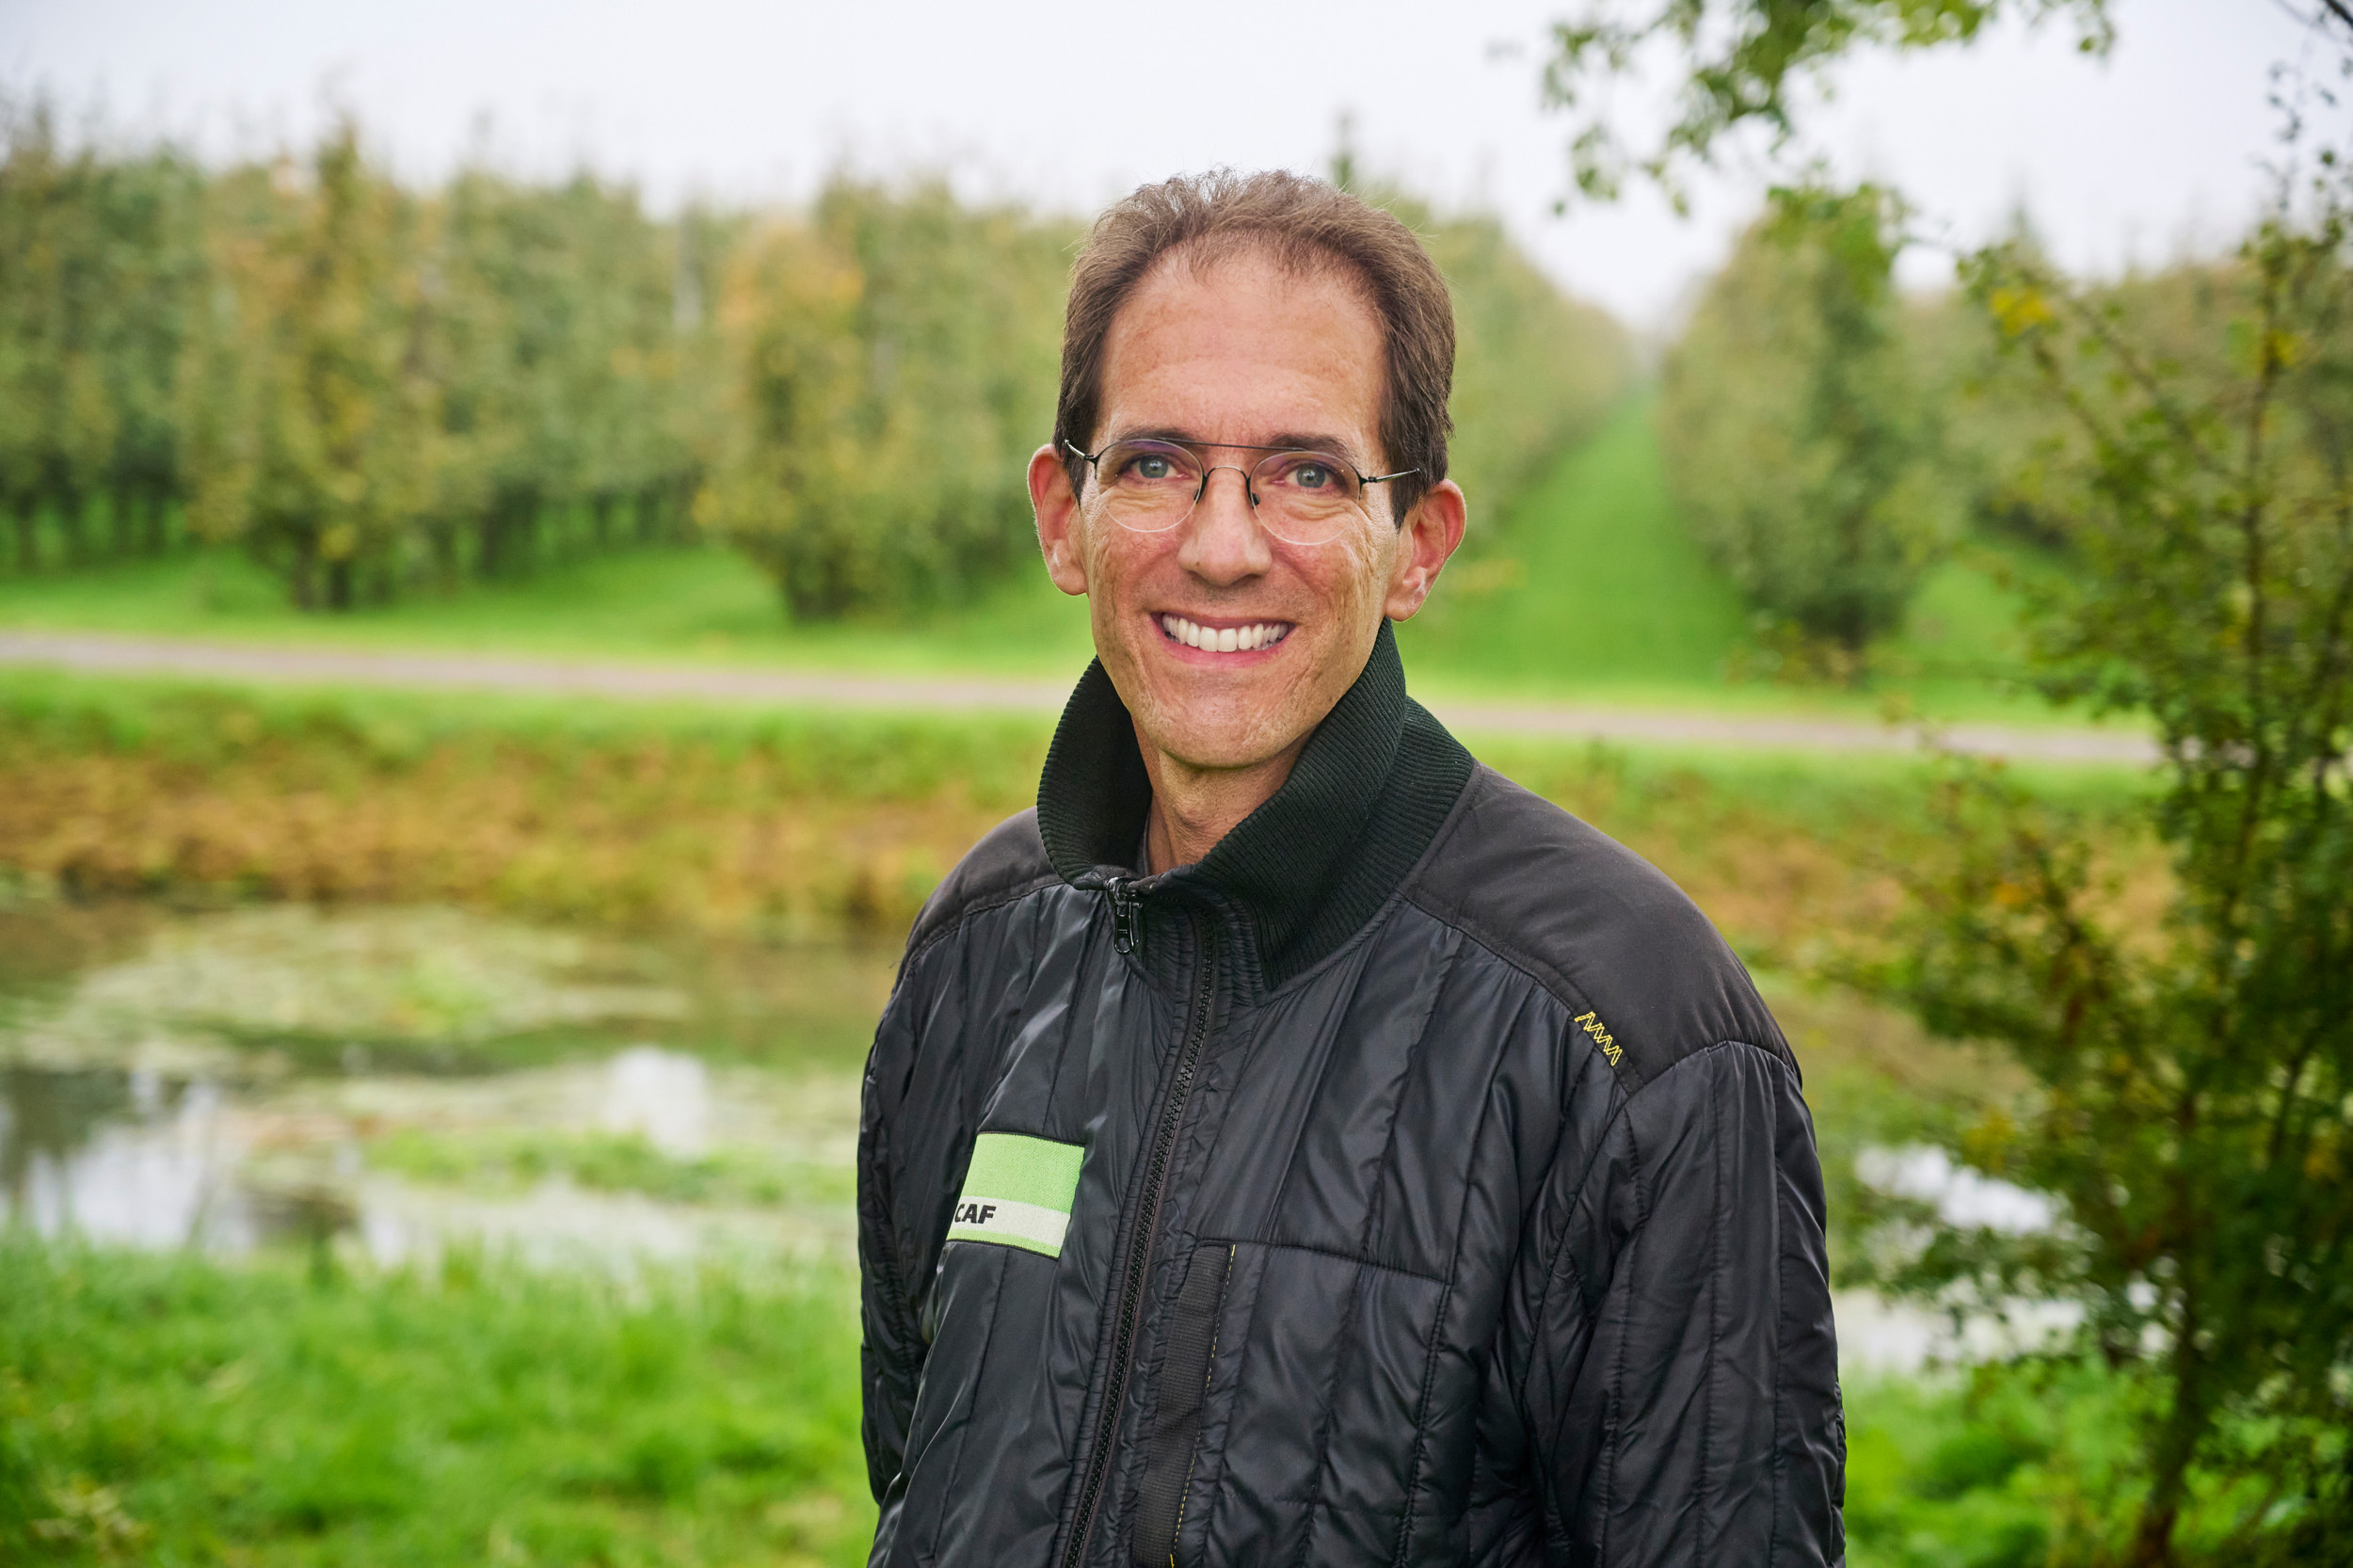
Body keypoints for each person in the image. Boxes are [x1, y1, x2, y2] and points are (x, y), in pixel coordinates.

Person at [857, 169, 1844, 1568]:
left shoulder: (1633, 1040)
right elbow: (914, 1465)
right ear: (1060, 517)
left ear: (1417, 546)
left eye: (1307, 474)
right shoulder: (979, 949)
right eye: (1153, 463)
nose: (1219, 543)